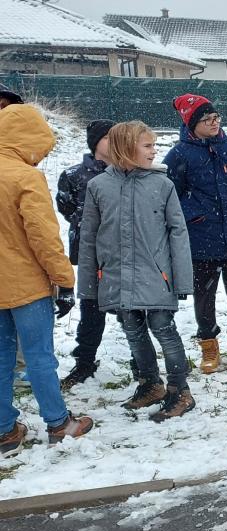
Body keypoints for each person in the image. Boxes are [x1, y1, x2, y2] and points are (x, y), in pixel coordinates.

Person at [80, 121, 196, 421]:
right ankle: (150, 384)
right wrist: (89, 285)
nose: (154, 151)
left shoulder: (162, 185)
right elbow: (89, 237)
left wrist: (182, 279)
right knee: (132, 329)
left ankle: (180, 390)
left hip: (157, 274)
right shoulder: (98, 186)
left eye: (153, 145)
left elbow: (178, 233)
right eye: (147, 146)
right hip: (117, 275)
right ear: (125, 148)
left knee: (164, 329)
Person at [0, 104, 93, 457]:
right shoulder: (25, 177)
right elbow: (42, 237)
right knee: (39, 356)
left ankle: (5, 429)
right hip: (26, 285)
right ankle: (58, 422)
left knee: (1, 358)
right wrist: (64, 280)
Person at [165, 93, 227, 375]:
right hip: (201, 239)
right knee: (204, 298)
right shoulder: (180, 155)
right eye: (207, 119)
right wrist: (197, 213)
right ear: (192, 123)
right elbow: (171, 193)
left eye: (216, 117)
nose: (214, 123)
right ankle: (209, 346)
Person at [54, 119, 116, 388]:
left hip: (122, 253)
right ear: (95, 143)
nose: (114, 142)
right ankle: (84, 361)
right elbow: (65, 207)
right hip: (89, 252)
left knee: (132, 309)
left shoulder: (128, 171)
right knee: (91, 307)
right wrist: (86, 228)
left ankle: (142, 363)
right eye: (108, 137)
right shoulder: (73, 175)